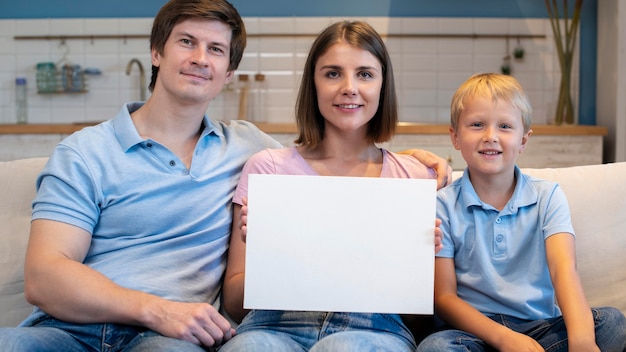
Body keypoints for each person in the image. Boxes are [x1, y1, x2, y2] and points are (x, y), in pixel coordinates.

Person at [0, 1, 450, 351]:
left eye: (215, 49)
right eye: (187, 42)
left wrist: (406, 167)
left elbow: (330, 169)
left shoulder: (247, 147)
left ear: (228, 72)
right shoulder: (84, 151)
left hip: (170, 340)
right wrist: (159, 311)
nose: (200, 58)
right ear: (156, 52)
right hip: (80, 329)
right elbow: (44, 276)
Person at [219, 20, 450, 352]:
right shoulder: (268, 169)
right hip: (274, 325)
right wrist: (268, 256)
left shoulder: (415, 178)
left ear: (384, 85)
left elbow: (423, 319)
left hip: (373, 329)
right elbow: (234, 304)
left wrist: (418, 263)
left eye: (365, 74)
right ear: (313, 84)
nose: (349, 87)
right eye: (332, 73)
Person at [417, 73, 626, 352]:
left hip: (541, 330)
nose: (490, 136)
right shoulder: (441, 203)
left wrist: (582, 340)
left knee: (612, 323)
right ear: (455, 137)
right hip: (473, 334)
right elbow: (444, 298)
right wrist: (505, 339)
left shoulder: (547, 196)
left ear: (524, 140)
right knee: (435, 347)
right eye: (477, 125)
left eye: (505, 126)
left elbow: (563, 270)